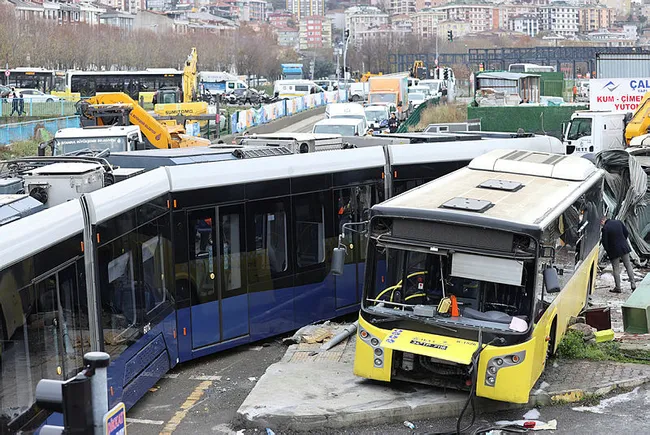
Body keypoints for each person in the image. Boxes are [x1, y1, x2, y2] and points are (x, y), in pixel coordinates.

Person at [601, 217, 636, 293]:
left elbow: (604, 242)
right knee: (628, 265)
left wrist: (608, 250)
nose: (601, 224)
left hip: (613, 250)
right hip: (624, 247)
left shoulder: (605, 228)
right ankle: (633, 284)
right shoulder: (619, 222)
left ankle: (618, 287)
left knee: (616, 269)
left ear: (603, 221)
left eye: (601, 223)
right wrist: (622, 241)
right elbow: (626, 233)